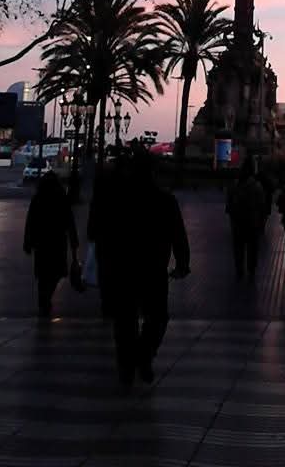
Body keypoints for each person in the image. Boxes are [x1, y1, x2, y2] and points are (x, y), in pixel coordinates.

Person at [87, 151, 190, 386]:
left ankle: (127, 366)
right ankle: (144, 354)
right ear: (153, 173)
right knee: (157, 318)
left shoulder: (118, 200)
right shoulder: (165, 201)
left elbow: (100, 233)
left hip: (122, 269)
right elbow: (178, 235)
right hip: (153, 270)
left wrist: (105, 263)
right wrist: (182, 263)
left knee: (125, 321)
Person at [23, 170, 79, 318]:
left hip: (42, 242)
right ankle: (46, 298)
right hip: (57, 241)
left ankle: (44, 300)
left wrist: (28, 242)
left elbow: (31, 222)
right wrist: (74, 242)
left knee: (43, 275)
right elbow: (70, 222)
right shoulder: (62, 198)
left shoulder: (38, 198)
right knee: (55, 273)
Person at [226, 157, 266, 279]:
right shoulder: (256, 186)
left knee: (238, 247)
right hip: (252, 222)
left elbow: (229, 204)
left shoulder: (234, 185)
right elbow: (261, 205)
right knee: (252, 248)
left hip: (237, 222)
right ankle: (251, 270)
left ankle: (239, 269)